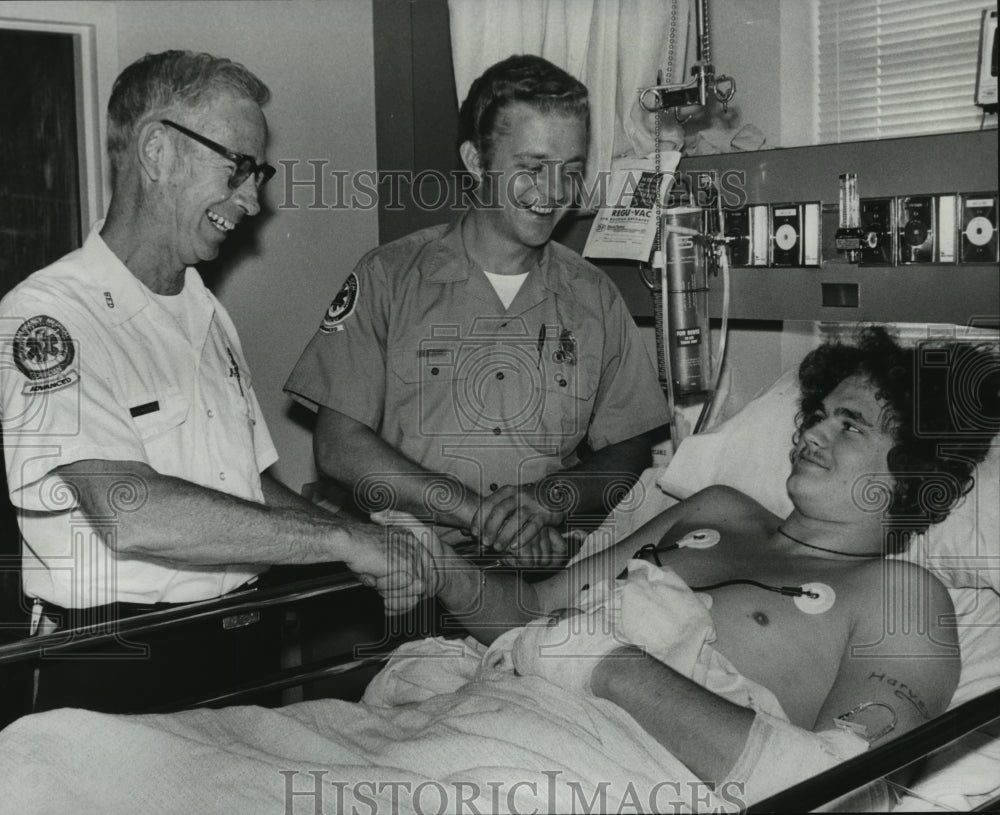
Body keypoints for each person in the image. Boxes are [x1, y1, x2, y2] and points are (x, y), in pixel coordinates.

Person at [394, 325, 999, 802]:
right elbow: (526, 615)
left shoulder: (904, 597)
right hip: (472, 720)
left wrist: (606, 667)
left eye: (851, 425)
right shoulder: (718, 509)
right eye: (817, 415)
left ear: (913, 469)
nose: (811, 434)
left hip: (596, 778)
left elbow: (847, 790)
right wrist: (436, 564)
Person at [0, 51, 430, 714]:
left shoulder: (204, 310)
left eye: (258, 174)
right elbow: (128, 509)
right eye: (239, 168)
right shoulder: (49, 317)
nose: (254, 200)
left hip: (237, 648)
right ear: (158, 151)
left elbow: (248, 485)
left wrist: (361, 548)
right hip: (119, 662)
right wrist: (341, 540)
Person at [284, 55, 670, 567]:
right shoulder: (389, 278)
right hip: (406, 569)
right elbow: (338, 446)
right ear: (475, 161)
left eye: (571, 171)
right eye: (532, 168)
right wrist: (474, 513)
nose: (555, 193)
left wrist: (550, 499)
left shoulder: (593, 296)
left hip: (539, 568)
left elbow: (629, 449)